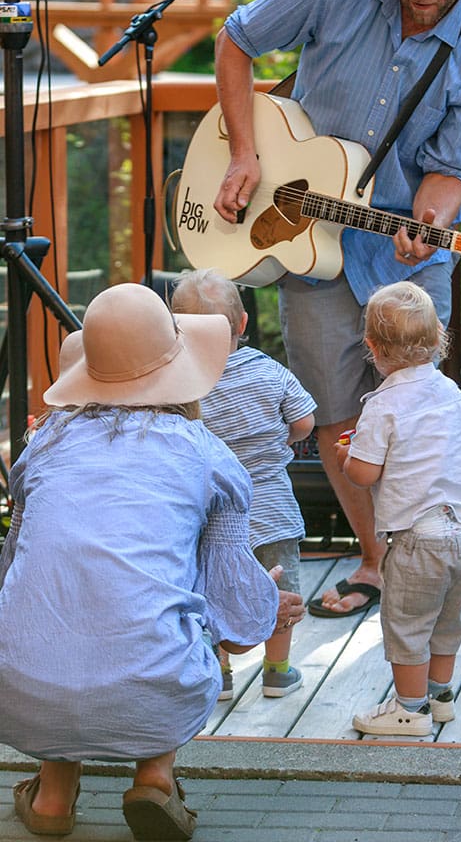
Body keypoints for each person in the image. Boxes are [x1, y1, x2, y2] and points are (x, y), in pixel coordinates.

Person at [213, 0, 461, 616]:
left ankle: (425, 562)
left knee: (414, 408)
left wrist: (429, 221)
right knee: (332, 408)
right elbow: (237, 40)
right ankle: (377, 562)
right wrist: (245, 154)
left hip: (398, 243)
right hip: (302, 228)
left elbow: (452, 171)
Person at [0, 283, 304, 840]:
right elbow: (235, 614)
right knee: (162, 611)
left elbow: (14, 568)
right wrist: (267, 602)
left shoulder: (42, 447)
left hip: (17, 686)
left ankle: (52, 797)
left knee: (67, 603)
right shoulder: (206, 454)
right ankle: (156, 778)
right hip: (151, 686)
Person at [337, 281, 461, 737]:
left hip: (418, 542)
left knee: (406, 626)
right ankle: (441, 698)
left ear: (372, 346)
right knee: (447, 622)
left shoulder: (383, 405)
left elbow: (363, 474)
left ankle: (408, 710)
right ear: (438, 336)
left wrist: (347, 454)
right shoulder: (454, 396)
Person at [170, 267, 315, 700]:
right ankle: (278, 671)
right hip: (271, 504)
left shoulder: (182, 381)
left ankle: (221, 671)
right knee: (281, 589)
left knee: (210, 586)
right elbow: (306, 422)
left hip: (208, 512)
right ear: (243, 323)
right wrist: (279, 440)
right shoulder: (268, 369)